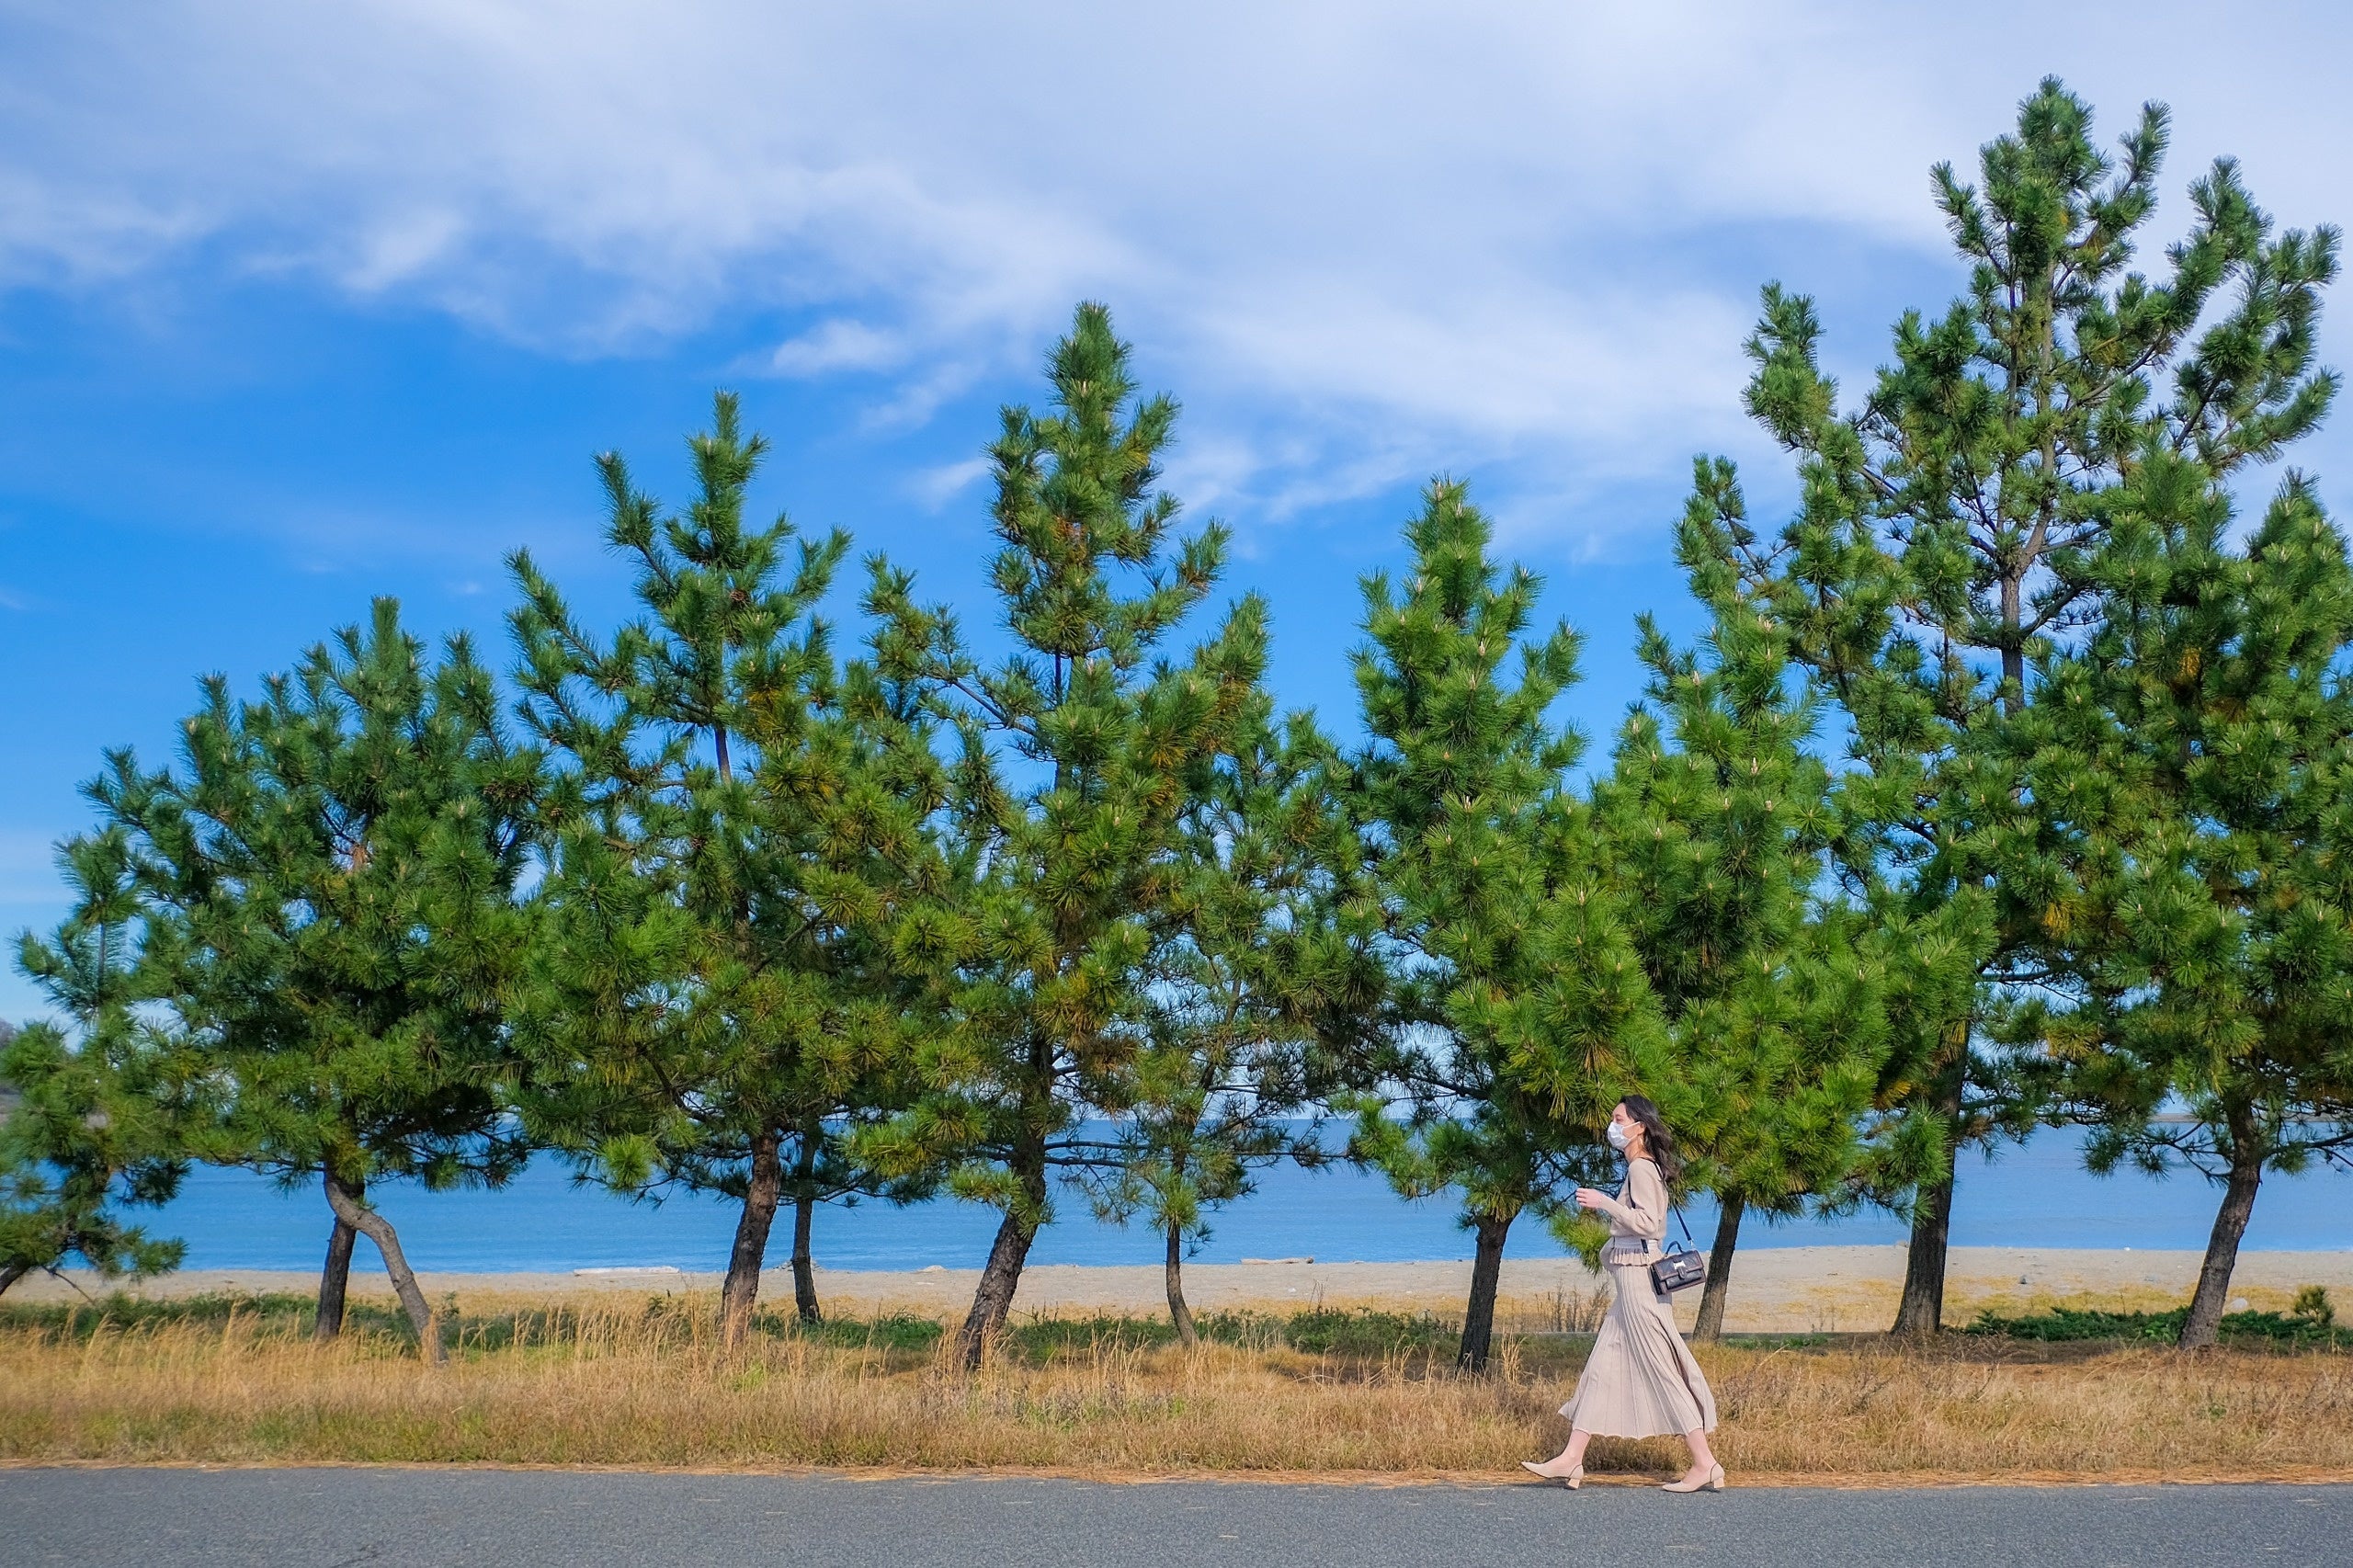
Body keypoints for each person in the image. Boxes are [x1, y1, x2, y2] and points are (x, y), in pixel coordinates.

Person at [1521, 1095, 1723, 1493]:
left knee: (1663, 1372)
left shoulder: (1642, 1169)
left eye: (1618, 1119)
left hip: (1639, 1284)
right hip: (1629, 1280)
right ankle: (1572, 1458)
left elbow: (1651, 1225)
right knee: (1602, 1367)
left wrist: (1606, 1203)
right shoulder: (1640, 1168)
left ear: (1639, 1126)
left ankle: (1705, 1464)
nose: (1611, 1126)